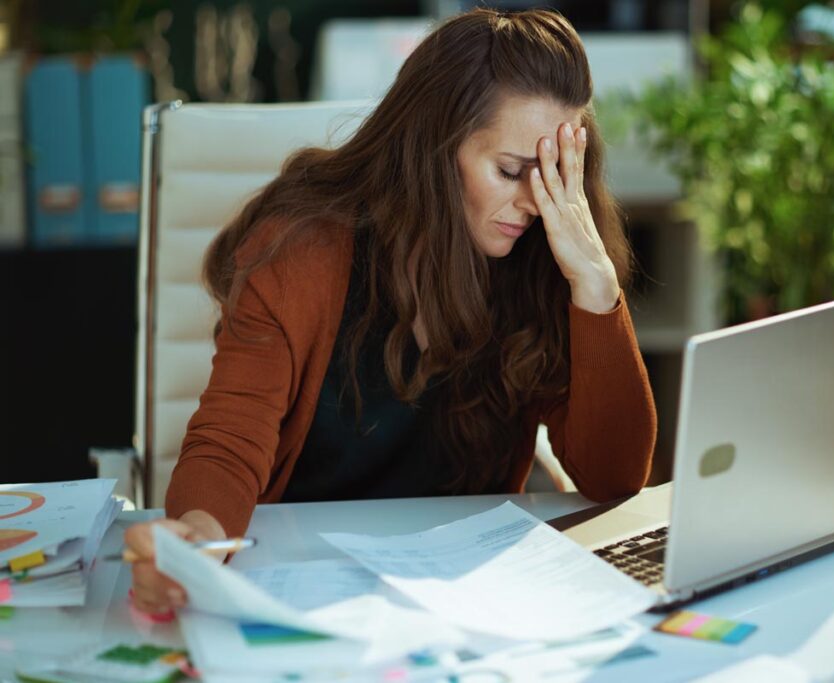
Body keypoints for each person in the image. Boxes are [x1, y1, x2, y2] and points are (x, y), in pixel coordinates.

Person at [125, 7, 657, 615]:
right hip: (303, 584)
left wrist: (596, 289)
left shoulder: (542, 261)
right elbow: (229, 441)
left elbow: (615, 478)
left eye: (556, 174)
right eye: (510, 171)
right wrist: (195, 541)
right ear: (434, 146)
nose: (536, 201)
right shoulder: (302, 254)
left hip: (464, 598)